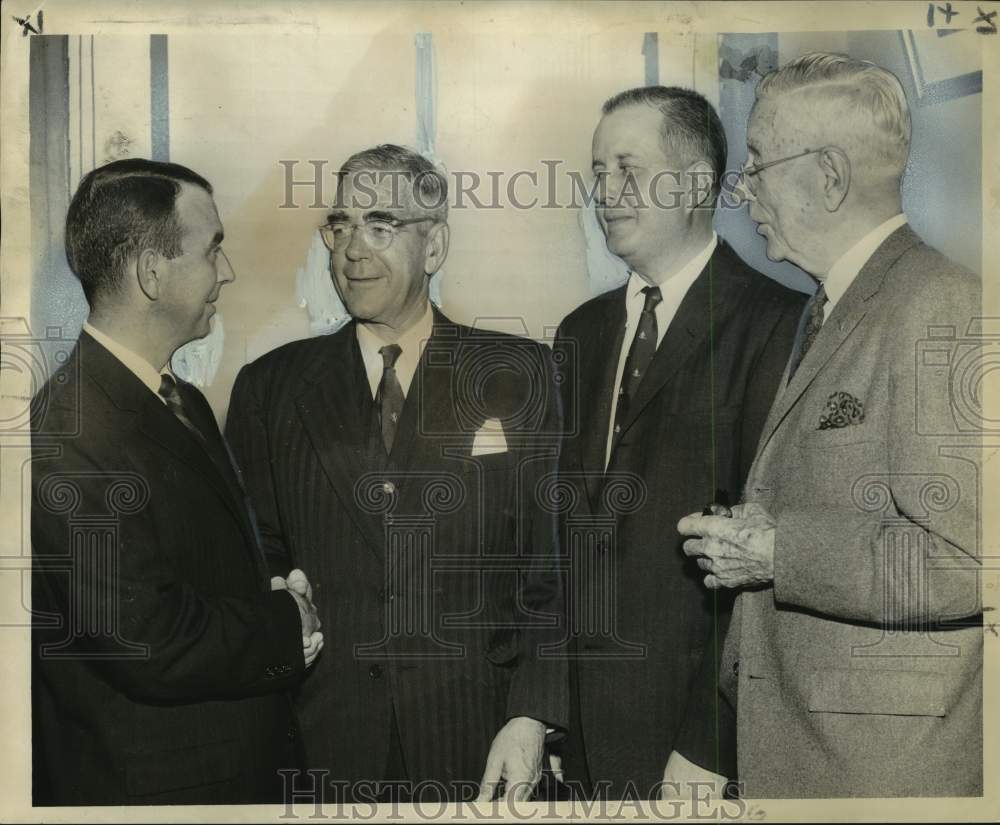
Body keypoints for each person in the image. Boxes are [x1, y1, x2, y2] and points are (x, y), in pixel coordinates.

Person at [679, 52, 983, 797]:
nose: (742, 187)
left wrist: (780, 551)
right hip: (803, 759)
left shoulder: (937, 305)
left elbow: (971, 559)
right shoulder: (834, 306)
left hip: (878, 778)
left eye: (757, 161)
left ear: (830, 176)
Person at [225, 144, 567, 802]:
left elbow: (554, 565)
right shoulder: (270, 388)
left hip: (482, 742)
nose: (352, 249)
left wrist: (531, 715)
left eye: (380, 226)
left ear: (433, 247)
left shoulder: (517, 373)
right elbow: (250, 556)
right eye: (340, 226)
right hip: (321, 746)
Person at [31, 158, 324, 805]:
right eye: (213, 248)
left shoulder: (181, 399)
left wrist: (272, 585)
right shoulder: (66, 433)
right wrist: (285, 623)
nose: (228, 271)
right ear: (152, 273)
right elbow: (145, 636)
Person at [551, 86, 805, 799]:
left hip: (695, 747)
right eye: (598, 172)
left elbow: (763, 573)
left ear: (696, 183)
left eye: (628, 169)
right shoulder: (580, 332)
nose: (606, 191)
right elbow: (558, 542)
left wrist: (709, 742)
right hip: (579, 739)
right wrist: (541, 710)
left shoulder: (777, 326)